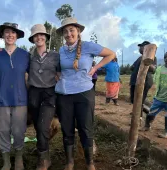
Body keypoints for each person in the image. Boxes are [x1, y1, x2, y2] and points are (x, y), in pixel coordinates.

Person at [55, 17, 115, 170]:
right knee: (67, 128)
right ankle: (69, 162)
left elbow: (111, 54)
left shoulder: (88, 46)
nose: (69, 34)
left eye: (72, 30)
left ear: (78, 31)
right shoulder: (61, 50)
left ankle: (89, 163)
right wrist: (58, 76)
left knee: (85, 128)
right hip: (64, 95)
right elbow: (58, 68)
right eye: (66, 31)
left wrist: (95, 69)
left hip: (84, 94)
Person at [0, 22, 30, 170]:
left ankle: (19, 158)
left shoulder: (25, 55)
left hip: (20, 99)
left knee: (19, 130)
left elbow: (34, 75)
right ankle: (6, 161)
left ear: (17, 36)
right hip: (1, 99)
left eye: (13, 32)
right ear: (2, 35)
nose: (10, 35)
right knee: (2, 130)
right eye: (7, 32)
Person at [27, 24, 60, 170]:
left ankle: (44, 160)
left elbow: (61, 73)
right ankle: (42, 150)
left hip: (49, 94)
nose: (39, 37)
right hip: (33, 94)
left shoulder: (55, 56)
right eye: (36, 35)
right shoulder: (29, 57)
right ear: (33, 39)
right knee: (37, 126)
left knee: (43, 126)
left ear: (46, 37)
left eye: (41, 35)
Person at [143, 52, 167, 138]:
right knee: (151, 112)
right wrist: (147, 62)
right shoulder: (160, 69)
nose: (166, 59)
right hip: (159, 97)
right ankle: (147, 126)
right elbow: (153, 69)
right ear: (164, 59)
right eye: (165, 57)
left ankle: (165, 132)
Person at [130, 41, 157, 114]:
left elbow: (153, 69)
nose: (140, 48)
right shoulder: (139, 58)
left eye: (141, 46)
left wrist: (147, 62)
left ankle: (142, 113)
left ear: (146, 47)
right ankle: (142, 110)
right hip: (134, 81)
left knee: (140, 100)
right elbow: (132, 67)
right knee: (133, 99)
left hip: (145, 82)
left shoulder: (152, 57)